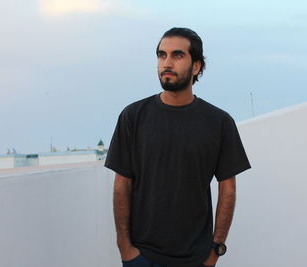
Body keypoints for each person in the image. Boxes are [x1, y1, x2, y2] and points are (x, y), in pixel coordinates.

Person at [105, 27, 251, 267]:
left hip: (196, 257)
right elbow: (122, 184)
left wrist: (216, 248)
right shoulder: (133, 116)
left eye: (177, 55)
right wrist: (125, 247)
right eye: (162, 55)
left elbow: (228, 188)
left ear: (196, 66)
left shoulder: (219, 122)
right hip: (142, 256)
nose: (167, 63)